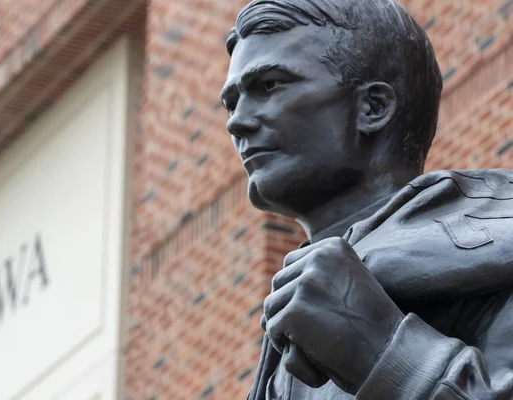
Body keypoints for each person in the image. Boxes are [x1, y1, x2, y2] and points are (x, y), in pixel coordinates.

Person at [220, 0, 513, 399]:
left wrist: (383, 349)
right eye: (232, 102)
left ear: (373, 107)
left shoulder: (501, 245)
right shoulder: (284, 338)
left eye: (269, 85)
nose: (236, 121)